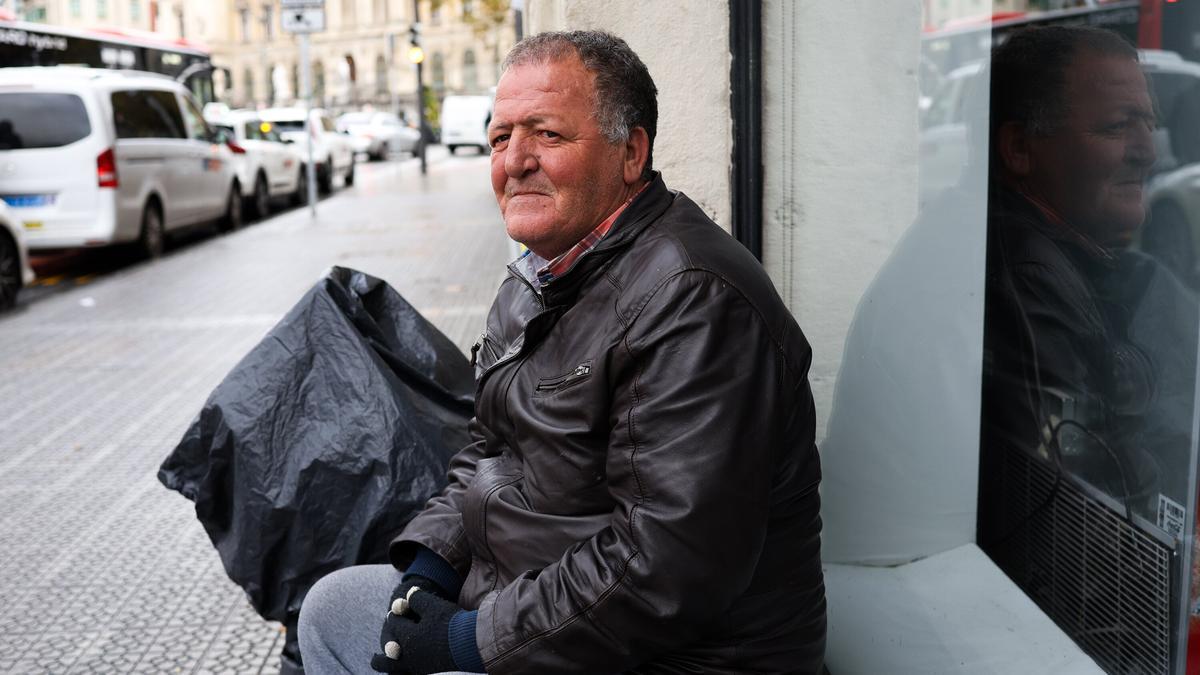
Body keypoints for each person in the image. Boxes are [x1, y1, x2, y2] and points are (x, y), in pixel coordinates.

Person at [299, 30, 826, 674]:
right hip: (542, 598)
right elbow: (491, 450)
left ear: (630, 152)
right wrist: (430, 571)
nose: (515, 161)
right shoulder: (540, 275)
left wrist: (468, 640)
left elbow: (667, 567)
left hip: (679, 656)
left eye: (546, 135)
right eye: (500, 138)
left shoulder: (694, 300)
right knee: (330, 608)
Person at [978, 26, 1198, 539]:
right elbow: (1098, 525)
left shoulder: (1072, 264)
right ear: (1019, 148)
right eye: (1119, 126)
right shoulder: (1022, 283)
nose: (1148, 151)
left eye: (1149, 123)